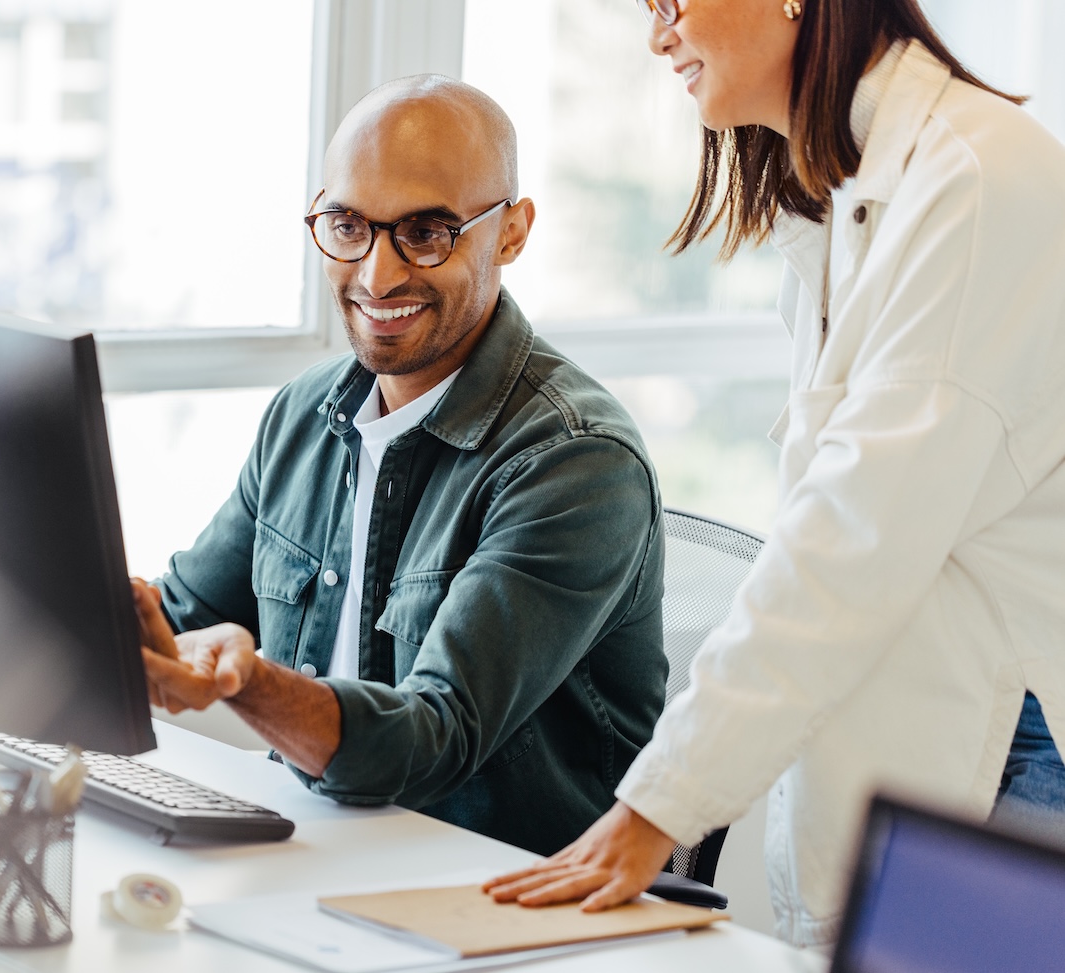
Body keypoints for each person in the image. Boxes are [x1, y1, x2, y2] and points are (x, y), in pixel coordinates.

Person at [485, 0, 1065, 947]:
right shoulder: (852, 195)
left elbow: (849, 538)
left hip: (1010, 761)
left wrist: (655, 810)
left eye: (670, 1)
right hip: (935, 746)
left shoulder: (974, 177)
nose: (656, 34)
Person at [133, 75, 668, 858]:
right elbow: (178, 617)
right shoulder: (305, 413)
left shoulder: (576, 462)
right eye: (348, 225)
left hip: (494, 902)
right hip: (315, 860)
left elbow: (433, 740)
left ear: (511, 232)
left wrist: (246, 682)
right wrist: (89, 609)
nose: (378, 276)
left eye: (425, 232)